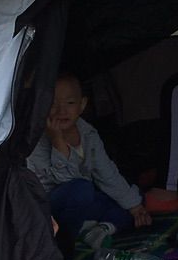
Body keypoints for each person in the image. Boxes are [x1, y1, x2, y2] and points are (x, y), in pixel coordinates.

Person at [28, 73, 153, 248]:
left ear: (82, 105)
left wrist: (135, 206)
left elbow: (107, 173)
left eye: (70, 103)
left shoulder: (88, 134)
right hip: (51, 206)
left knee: (132, 198)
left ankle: (99, 230)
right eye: (53, 104)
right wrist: (57, 140)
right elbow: (64, 181)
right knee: (82, 189)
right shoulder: (38, 140)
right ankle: (64, 239)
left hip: (84, 202)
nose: (61, 111)